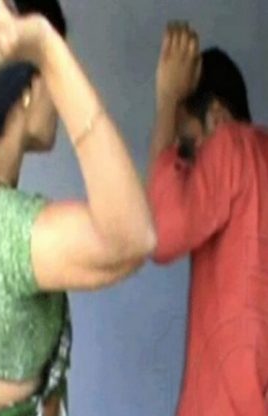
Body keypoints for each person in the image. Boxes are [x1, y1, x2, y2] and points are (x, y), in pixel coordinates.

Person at [0, 0, 156, 414]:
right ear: (31, 90)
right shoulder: (8, 231)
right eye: (55, 75)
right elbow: (134, 237)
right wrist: (49, 49)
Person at [148, 22, 268, 416]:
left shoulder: (230, 143)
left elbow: (158, 233)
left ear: (216, 117)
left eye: (185, 144)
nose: (182, 165)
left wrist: (166, 102)